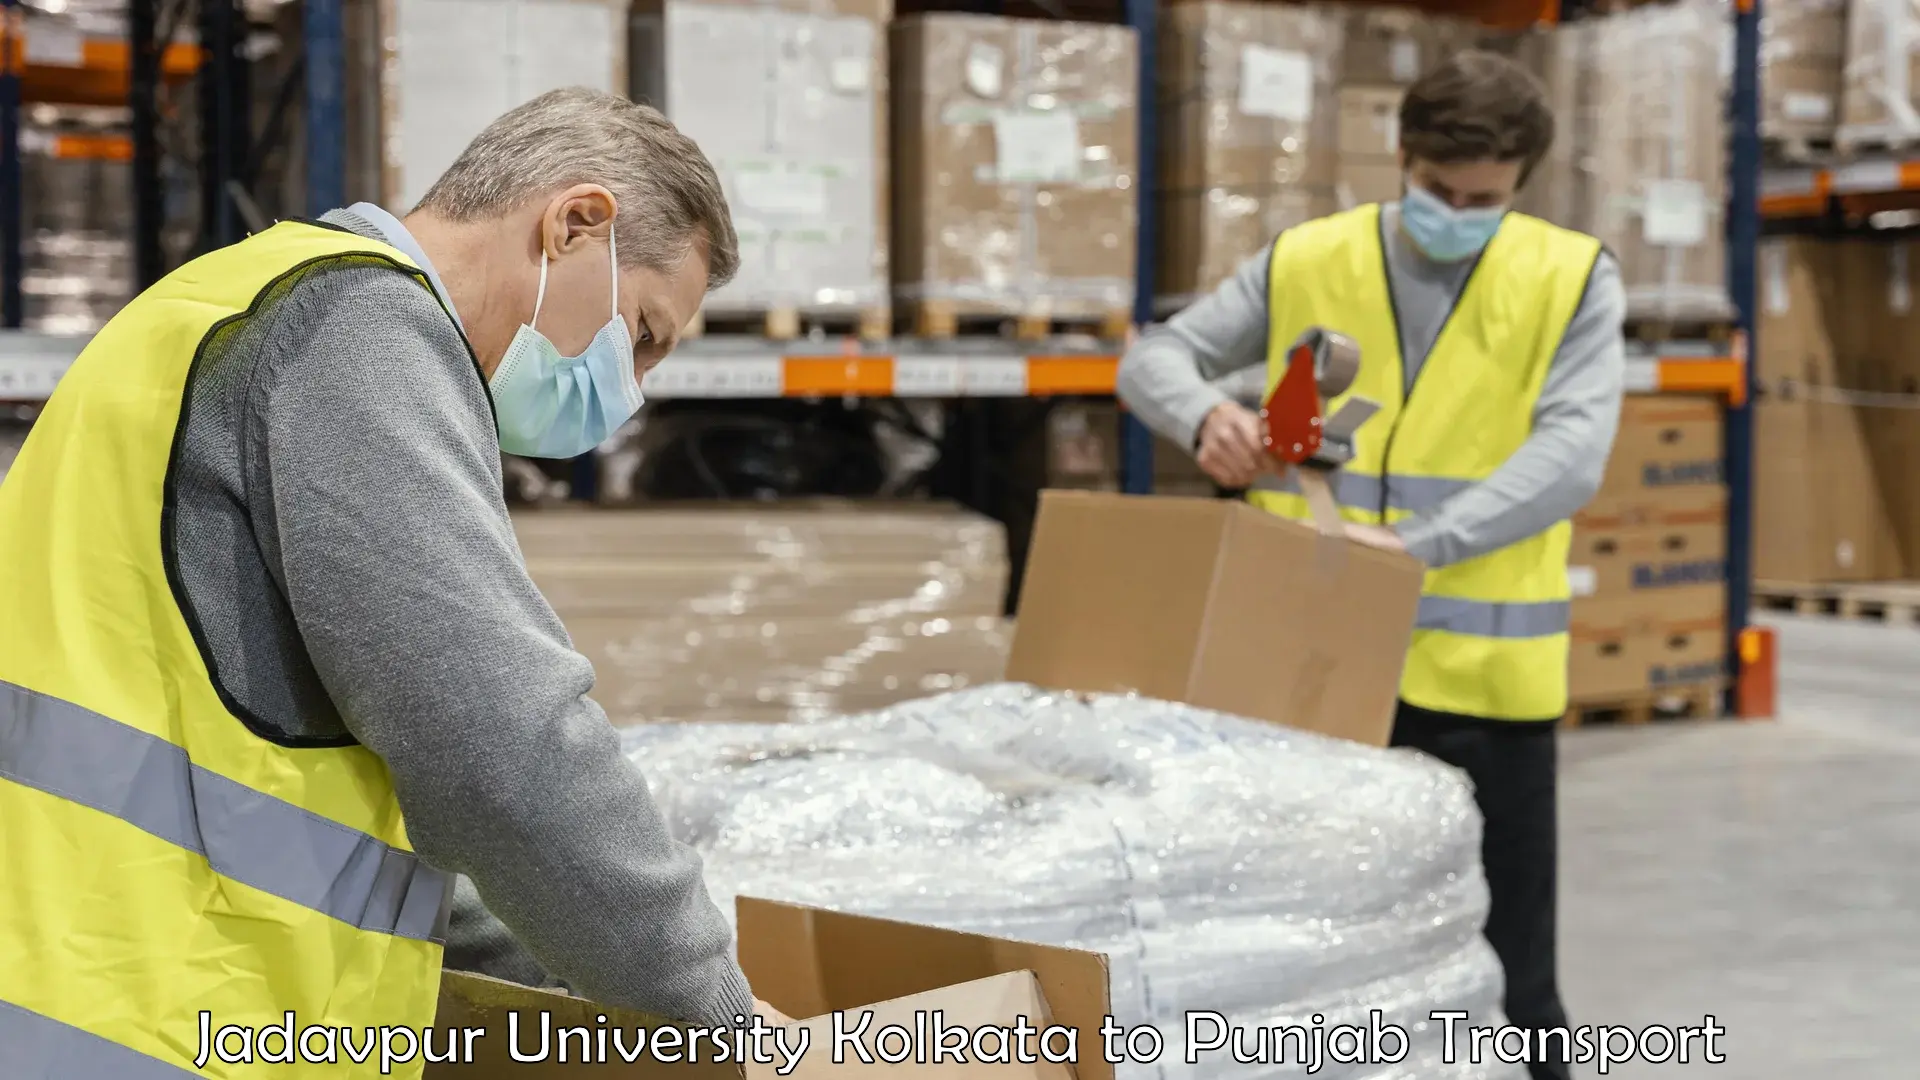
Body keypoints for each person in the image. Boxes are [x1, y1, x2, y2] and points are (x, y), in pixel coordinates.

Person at [0, 87, 789, 1075]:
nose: (631, 394)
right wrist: (721, 1018)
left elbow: (339, 800)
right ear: (575, 224)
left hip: (76, 992)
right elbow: (505, 757)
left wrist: (567, 967)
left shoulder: (223, 300)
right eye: (643, 335)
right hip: (169, 1024)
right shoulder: (357, 333)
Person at [1117, 51, 1624, 1080]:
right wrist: (1207, 413)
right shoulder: (1310, 258)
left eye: (1482, 199)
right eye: (1438, 190)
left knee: (1515, 983)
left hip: (1482, 689)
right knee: (1304, 955)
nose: (1456, 211)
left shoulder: (1569, 278)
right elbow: (1150, 357)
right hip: (1306, 677)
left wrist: (1426, 549)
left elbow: (1572, 454)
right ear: (1401, 158)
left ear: (1521, 183)